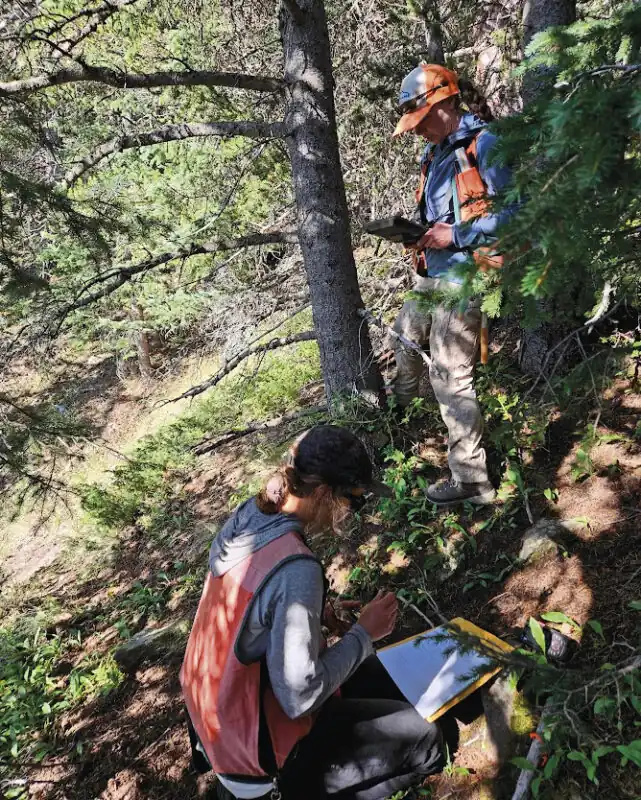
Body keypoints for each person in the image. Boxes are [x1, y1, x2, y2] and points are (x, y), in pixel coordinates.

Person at [180, 425, 448, 799]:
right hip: (262, 758)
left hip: (222, 724)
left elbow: (249, 606)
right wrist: (364, 634)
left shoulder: (247, 518)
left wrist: (315, 614)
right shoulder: (297, 568)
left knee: (387, 679)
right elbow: (299, 698)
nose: (353, 512)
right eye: (353, 501)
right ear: (323, 493)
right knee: (428, 740)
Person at [391, 63, 514, 507]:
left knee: (449, 374)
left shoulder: (486, 143)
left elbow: (518, 215)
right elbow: (446, 213)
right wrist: (418, 231)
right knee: (402, 342)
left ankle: (472, 481)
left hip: (466, 274)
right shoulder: (437, 153)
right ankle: (394, 424)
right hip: (431, 272)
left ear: (445, 104)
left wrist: (455, 236)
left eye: (422, 121)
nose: (419, 131)